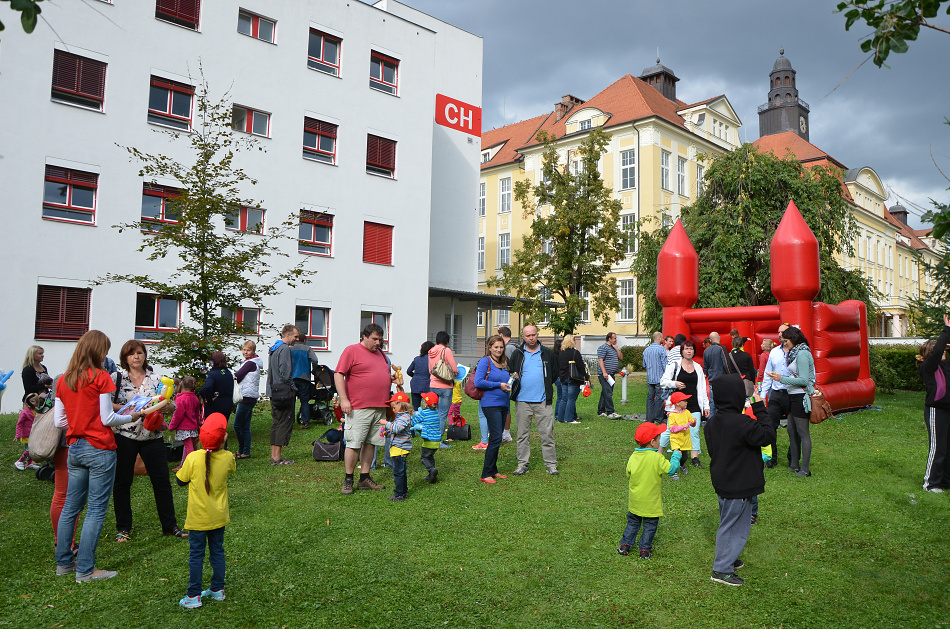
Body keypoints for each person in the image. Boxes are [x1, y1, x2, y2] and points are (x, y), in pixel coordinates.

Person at [54, 330, 140, 582]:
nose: (105, 356)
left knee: (71, 506)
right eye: (104, 350)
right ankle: (86, 569)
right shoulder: (100, 377)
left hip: (75, 448)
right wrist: (132, 416)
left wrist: (79, 420)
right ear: (96, 351)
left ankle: (64, 564)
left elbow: (60, 420)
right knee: (95, 510)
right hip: (99, 448)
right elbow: (107, 418)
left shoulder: (63, 379)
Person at [112, 339, 186, 543]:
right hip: (124, 435)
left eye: (139, 352)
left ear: (145, 355)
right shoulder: (117, 378)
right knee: (122, 483)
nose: (136, 356)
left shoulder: (156, 379)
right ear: (125, 358)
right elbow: (106, 404)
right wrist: (131, 409)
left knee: (161, 481)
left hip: (152, 436)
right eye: (131, 353)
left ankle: (170, 525)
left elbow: (170, 405)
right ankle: (123, 528)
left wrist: (167, 408)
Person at [705, 374, 775, 586]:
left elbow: (712, 451)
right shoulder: (743, 423)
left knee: (730, 521)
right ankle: (721, 570)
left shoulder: (712, 423)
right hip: (739, 484)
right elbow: (767, 435)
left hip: (723, 481)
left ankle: (729, 557)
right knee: (734, 525)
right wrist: (760, 407)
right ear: (736, 397)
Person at [175, 413, 235, 609]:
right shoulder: (228, 458)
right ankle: (218, 590)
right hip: (218, 517)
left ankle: (193, 595)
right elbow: (230, 467)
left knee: (196, 556)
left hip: (197, 520)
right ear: (224, 438)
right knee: (217, 552)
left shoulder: (193, 458)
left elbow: (180, 481)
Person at [335, 322, 395, 495]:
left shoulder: (381, 354)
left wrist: (389, 378)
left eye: (380, 339)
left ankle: (364, 477)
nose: (378, 343)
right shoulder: (351, 350)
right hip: (359, 406)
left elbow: (376, 374)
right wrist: (344, 400)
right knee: (354, 443)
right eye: (375, 339)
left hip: (379, 406)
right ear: (365, 337)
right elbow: (339, 374)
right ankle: (348, 479)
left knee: (371, 442)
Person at [618, 422, 682, 559]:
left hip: (635, 501)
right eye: (659, 439)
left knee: (633, 523)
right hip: (651, 503)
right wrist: (676, 456)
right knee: (649, 526)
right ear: (653, 442)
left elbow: (628, 473)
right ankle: (644, 550)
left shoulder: (634, 456)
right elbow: (671, 470)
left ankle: (625, 545)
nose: (660, 441)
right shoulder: (657, 458)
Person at [509, 324, 559, 475]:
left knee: (547, 434)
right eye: (527, 336)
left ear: (538, 335)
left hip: (543, 401)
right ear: (523, 337)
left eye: (533, 335)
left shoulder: (547, 353)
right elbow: (511, 372)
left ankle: (551, 464)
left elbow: (554, 374)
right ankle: (522, 464)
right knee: (522, 435)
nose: (531, 338)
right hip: (522, 401)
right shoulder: (517, 354)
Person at [768, 326, 816, 478]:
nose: (783, 343)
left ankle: (805, 469)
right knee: (791, 430)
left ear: (793, 340)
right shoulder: (796, 352)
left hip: (800, 397)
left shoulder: (802, 354)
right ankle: (794, 465)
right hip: (792, 396)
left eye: (786, 340)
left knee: (803, 433)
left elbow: (803, 379)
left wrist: (780, 378)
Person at [659, 340, 709, 466]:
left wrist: (706, 406)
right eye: (686, 349)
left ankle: (694, 458)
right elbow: (663, 381)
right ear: (682, 351)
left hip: (693, 404)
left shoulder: (698, 367)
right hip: (677, 405)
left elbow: (702, 389)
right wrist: (674, 383)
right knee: (670, 430)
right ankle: (659, 453)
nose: (689, 351)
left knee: (694, 430)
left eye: (691, 349)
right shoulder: (675, 365)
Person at [917, 314, 950, 493]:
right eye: (941, 350)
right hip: (935, 411)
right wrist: (946, 330)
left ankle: (944, 481)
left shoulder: (946, 366)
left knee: (947, 448)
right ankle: (930, 484)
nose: (944, 352)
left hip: (948, 410)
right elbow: (937, 353)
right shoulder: (928, 368)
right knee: (938, 448)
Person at [474, 334, 513, 483]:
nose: (499, 349)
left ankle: (493, 470)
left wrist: (511, 378)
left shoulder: (503, 362)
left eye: (501, 347)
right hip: (490, 404)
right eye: (496, 347)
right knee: (496, 437)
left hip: (503, 404)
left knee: (498, 437)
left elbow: (505, 382)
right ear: (489, 347)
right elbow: (478, 382)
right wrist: (498, 385)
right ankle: (486, 473)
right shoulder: (485, 361)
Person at [266, 325, 299, 466]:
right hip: (284, 392)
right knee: (284, 423)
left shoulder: (274, 348)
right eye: (295, 336)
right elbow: (285, 373)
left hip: (273, 391)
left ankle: (274, 455)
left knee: (276, 422)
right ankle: (278, 457)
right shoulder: (285, 349)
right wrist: (293, 388)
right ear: (287, 335)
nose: (297, 339)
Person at [760, 323, 792, 468]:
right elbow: (768, 375)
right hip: (776, 393)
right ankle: (772, 458)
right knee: (770, 426)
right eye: (778, 332)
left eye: (783, 332)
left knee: (794, 428)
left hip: (793, 394)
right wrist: (763, 394)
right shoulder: (774, 352)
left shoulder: (798, 351)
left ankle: (793, 458)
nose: (779, 335)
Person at [379, 391, 414, 501]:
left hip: (400, 449)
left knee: (398, 473)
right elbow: (396, 431)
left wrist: (386, 423)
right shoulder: (400, 418)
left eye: (394, 407)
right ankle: (403, 492)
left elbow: (396, 428)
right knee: (401, 473)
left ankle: (399, 494)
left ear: (401, 406)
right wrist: (387, 433)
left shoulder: (404, 417)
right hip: (398, 449)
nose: (393, 410)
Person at [427, 331, 458, 448]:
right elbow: (454, 368)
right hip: (445, 387)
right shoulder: (446, 350)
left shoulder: (430, 351)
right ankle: (438, 441)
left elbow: (430, 369)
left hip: (433, 385)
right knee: (442, 415)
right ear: (447, 341)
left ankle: (430, 438)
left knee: (432, 413)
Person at [232, 340, 263, 460]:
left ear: (253, 351)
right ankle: (245, 451)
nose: (245, 352)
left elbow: (238, 375)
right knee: (245, 426)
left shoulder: (250, 363)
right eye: (244, 350)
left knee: (237, 426)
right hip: (251, 396)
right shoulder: (251, 362)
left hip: (246, 397)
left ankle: (243, 450)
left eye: (248, 350)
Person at [170, 376, 202, 472]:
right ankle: (183, 465)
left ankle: (194, 467)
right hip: (193, 427)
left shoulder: (181, 399)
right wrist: (198, 425)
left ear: (182, 385)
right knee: (189, 446)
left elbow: (177, 415)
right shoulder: (195, 398)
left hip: (184, 427)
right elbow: (197, 414)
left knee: (189, 447)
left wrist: (172, 425)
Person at [290, 333, 320, 429]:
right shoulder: (307, 349)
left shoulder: (290, 349)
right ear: (304, 340)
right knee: (304, 401)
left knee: (291, 401)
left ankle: (290, 422)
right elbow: (315, 360)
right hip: (304, 378)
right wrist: (314, 370)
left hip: (292, 378)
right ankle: (305, 422)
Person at [557, 334, 588, 424]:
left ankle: (561, 418)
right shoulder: (575, 353)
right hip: (573, 378)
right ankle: (569, 418)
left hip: (563, 378)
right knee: (571, 399)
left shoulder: (561, 353)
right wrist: (586, 376)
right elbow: (581, 366)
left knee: (564, 399)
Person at [703, 331, 734, 418]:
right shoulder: (721, 348)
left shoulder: (706, 351)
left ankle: (711, 420)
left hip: (711, 379)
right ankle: (721, 420)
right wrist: (730, 376)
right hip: (722, 379)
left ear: (710, 340)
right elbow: (726, 364)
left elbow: (705, 367)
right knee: (722, 401)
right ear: (719, 338)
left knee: (712, 402)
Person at [666, 392, 697, 480]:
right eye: (684, 401)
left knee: (684, 457)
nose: (687, 402)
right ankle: (673, 471)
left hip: (685, 439)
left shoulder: (687, 412)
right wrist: (682, 426)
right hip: (676, 439)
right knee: (677, 455)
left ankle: (682, 465)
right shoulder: (672, 415)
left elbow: (692, 423)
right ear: (678, 403)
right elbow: (672, 428)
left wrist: (693, 421)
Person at [414, 392, 442, 483]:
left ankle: (431, 470)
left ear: (426, 404)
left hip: (428, 441)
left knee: (424, 458)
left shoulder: (424, 413)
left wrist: (415, 416)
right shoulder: (436, 412)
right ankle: (431, 475)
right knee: (430, 457)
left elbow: (414, 422)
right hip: (437, 440)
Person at [643, 332, 668, 424]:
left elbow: (644, 364)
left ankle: (649, 418)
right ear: (660, 338)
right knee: (659, 398)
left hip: (650, 378)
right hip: (659, 378)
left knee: (650, 398)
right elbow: (664, 364)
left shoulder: (646, 350)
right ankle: (658, 418)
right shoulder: (661, 349)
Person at [200, 352, 234, 419]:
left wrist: (209, 400)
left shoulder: (212, 374)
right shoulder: (228, 373)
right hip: (227, 406)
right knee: (222, 427)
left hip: (214, 407)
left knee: (212, 427)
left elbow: (208, 387)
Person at [499, 326, 518, 442]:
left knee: (505, 408)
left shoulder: (509, 348)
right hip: (513, 379)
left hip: (508, 380)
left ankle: (506, 433)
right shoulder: (516, 345)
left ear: (501, 335)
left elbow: (506, 365)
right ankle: (505, 432)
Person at [14, 392, 42, 470]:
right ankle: (19, 461)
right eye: (29, 401)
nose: (30, 403)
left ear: (37, 402)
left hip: (34, 434)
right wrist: (18, 435)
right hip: (27, 434)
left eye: (33, 401)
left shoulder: (37, 411)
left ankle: (29, 463)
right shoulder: (24, 412)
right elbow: (19, 424)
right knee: (29, 450)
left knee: (32, 450)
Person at [597, 332, 621, 419]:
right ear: (609, 339)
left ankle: (601, 410)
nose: (616, 340)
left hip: (611, 374)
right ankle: (610, 411)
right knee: (608, 393)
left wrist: (617, 348)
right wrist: (604, 372)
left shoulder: (613, 348)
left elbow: (621, 357)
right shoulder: (603, 348)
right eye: (614, 338)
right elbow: (600, 360)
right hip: (605, 375)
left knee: (605, 392)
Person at [406, 341, 434, 411]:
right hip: (427, 385)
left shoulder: (417, 359)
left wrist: (415, 376)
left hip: (416, 384)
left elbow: (409, 371)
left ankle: (415, 420)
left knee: (415, 407)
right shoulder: (432, 360)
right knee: (429, 406)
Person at [552, 338, 564, 423]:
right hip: (559, 377)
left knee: (561, 396)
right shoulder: (558, 356)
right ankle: (557, 415)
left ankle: (559, 414)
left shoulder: (554, 355)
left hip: (557, 377)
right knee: (560, 397)